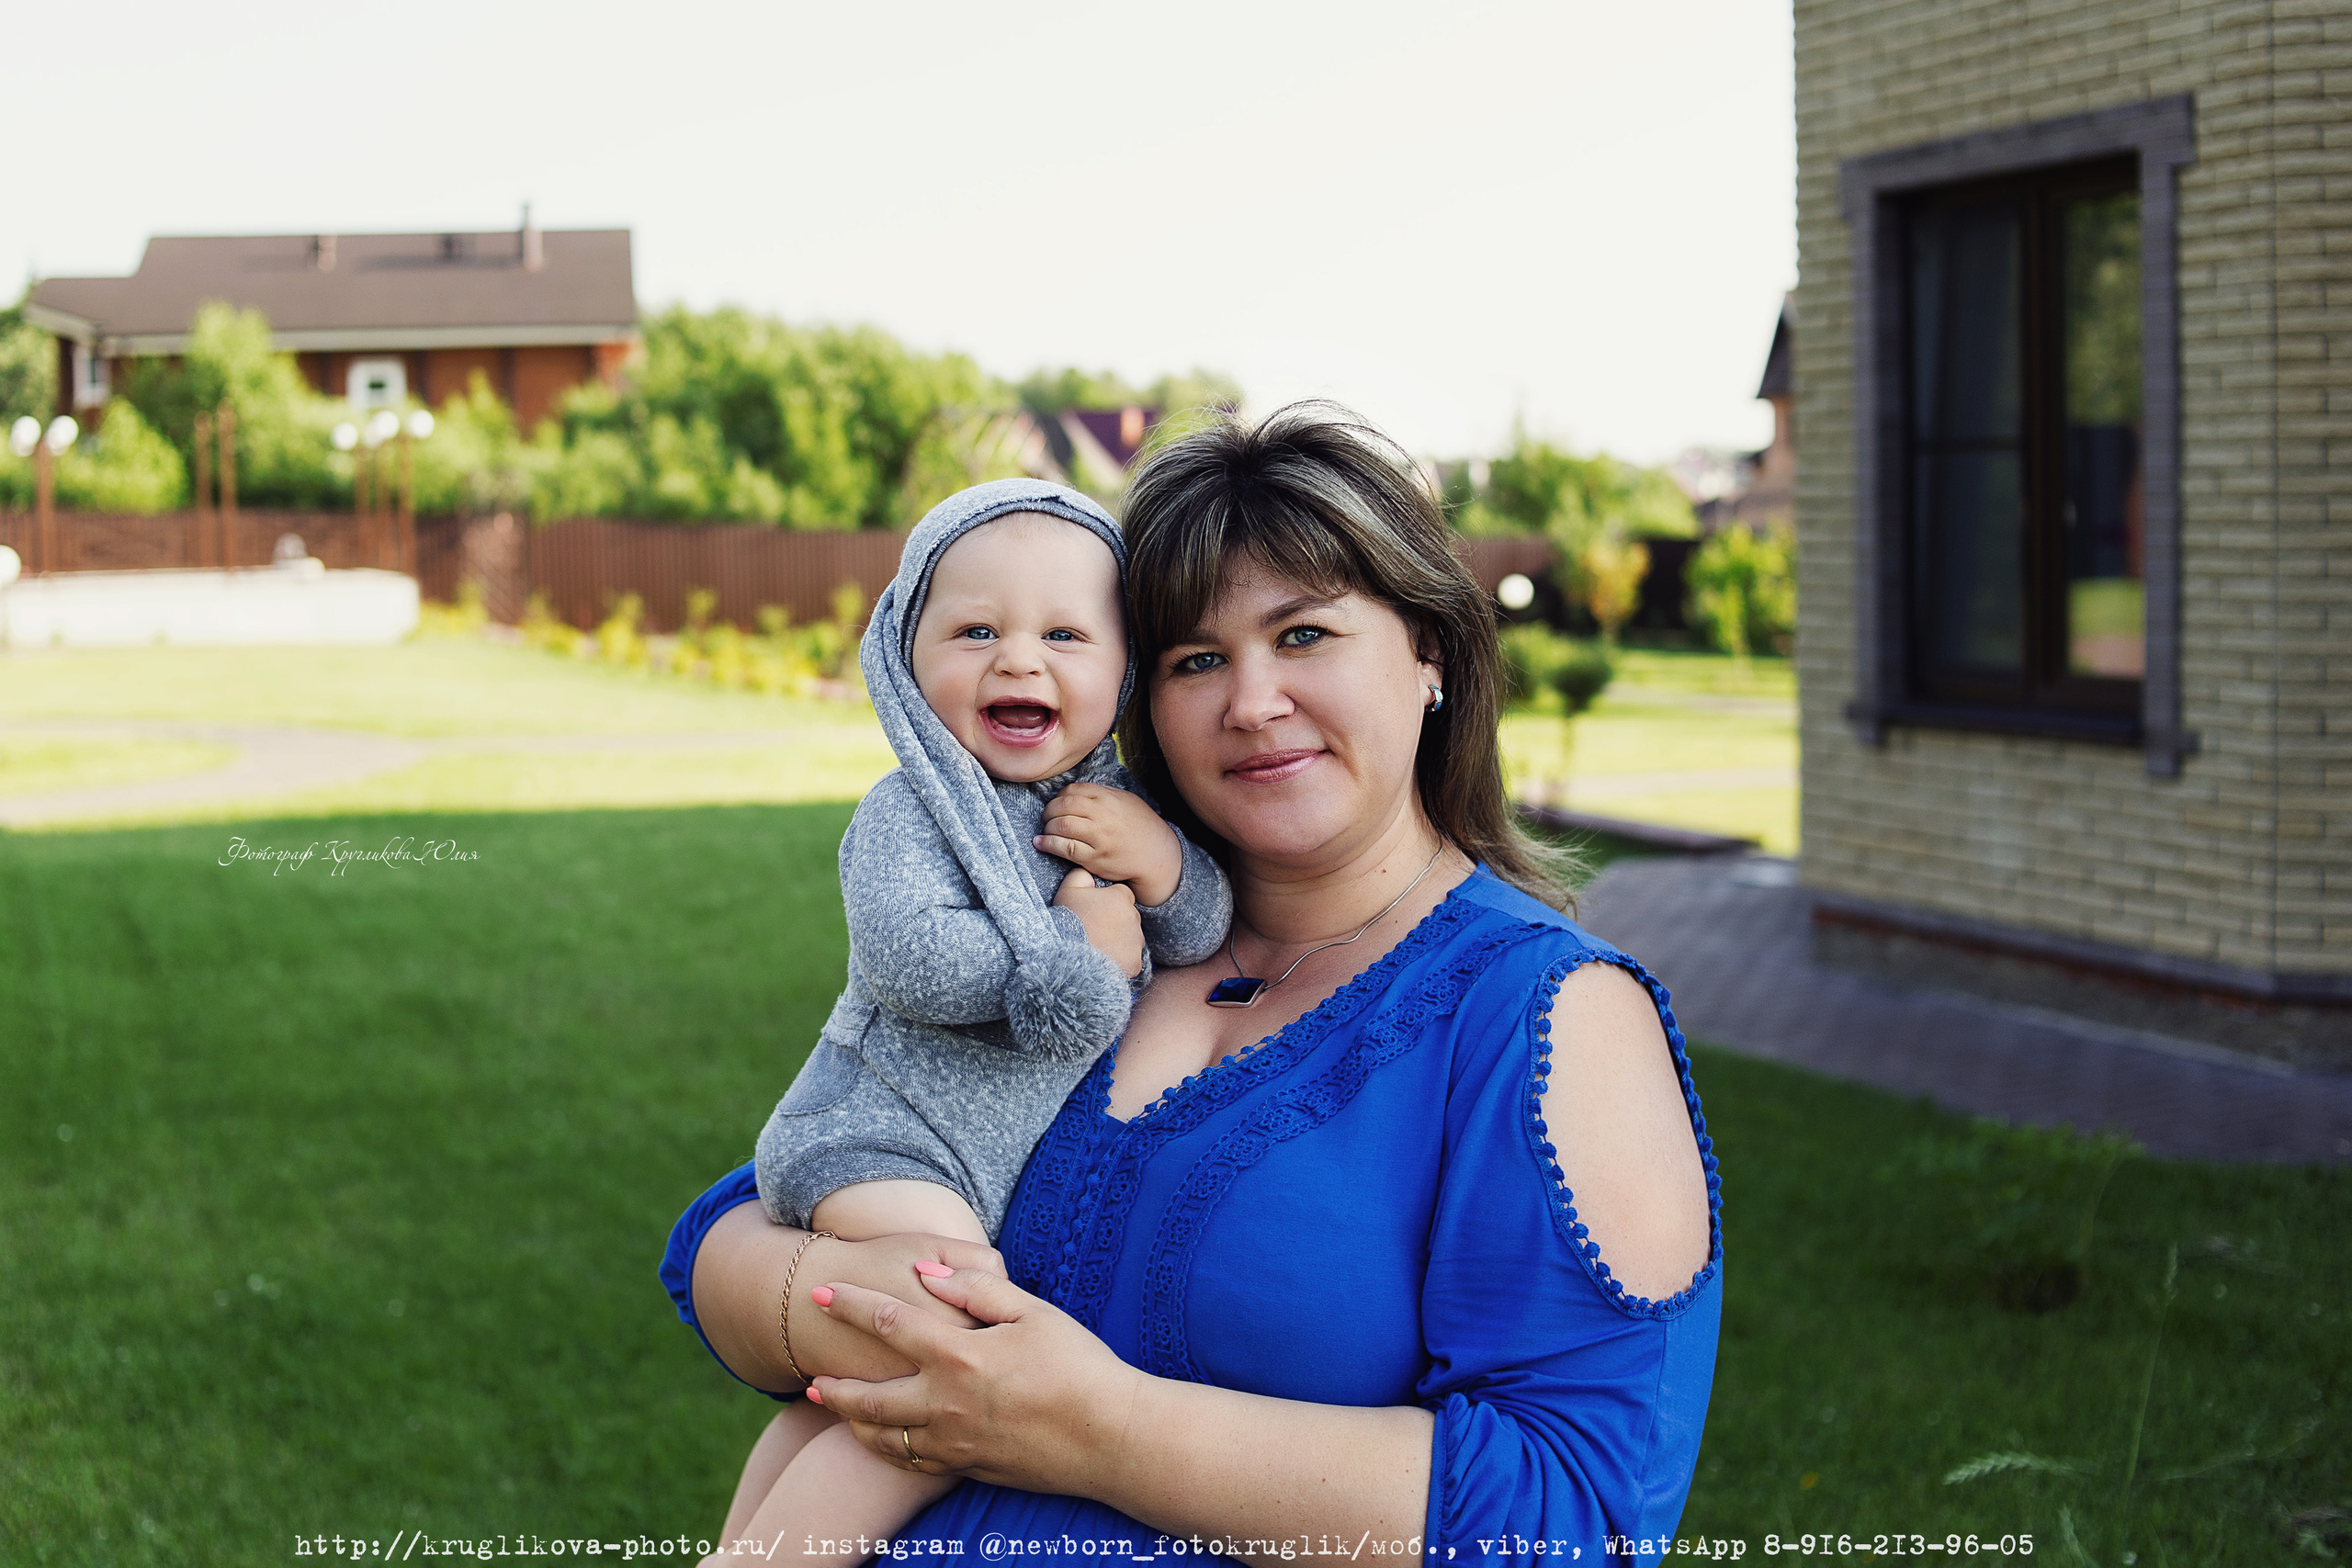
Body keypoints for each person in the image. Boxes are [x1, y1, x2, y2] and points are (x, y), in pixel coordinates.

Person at [662, 406, 1721, 1561]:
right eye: (1195, 659)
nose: (1250, 702)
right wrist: (843, 1304)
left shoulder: (1542, 1015)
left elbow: (1577, 1513)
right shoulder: (1090, 927)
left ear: (1430, 656)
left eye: (1304, 635)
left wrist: (1098, 1428)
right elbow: (733, 1231)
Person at [692, 479, 1232, 1559]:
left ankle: (739, 1540)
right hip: (872, 1135)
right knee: (955, 1352)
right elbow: (913, 963)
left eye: (1065, 634)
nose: (1019, 661)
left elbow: (1200, 925)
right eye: (975, 630)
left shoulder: (1117, 807)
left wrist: (1159, 864)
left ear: (1122, 667)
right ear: (904, 651)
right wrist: (1065, 957)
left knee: (838, 1390)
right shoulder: (912, 810)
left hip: (963, 1165)